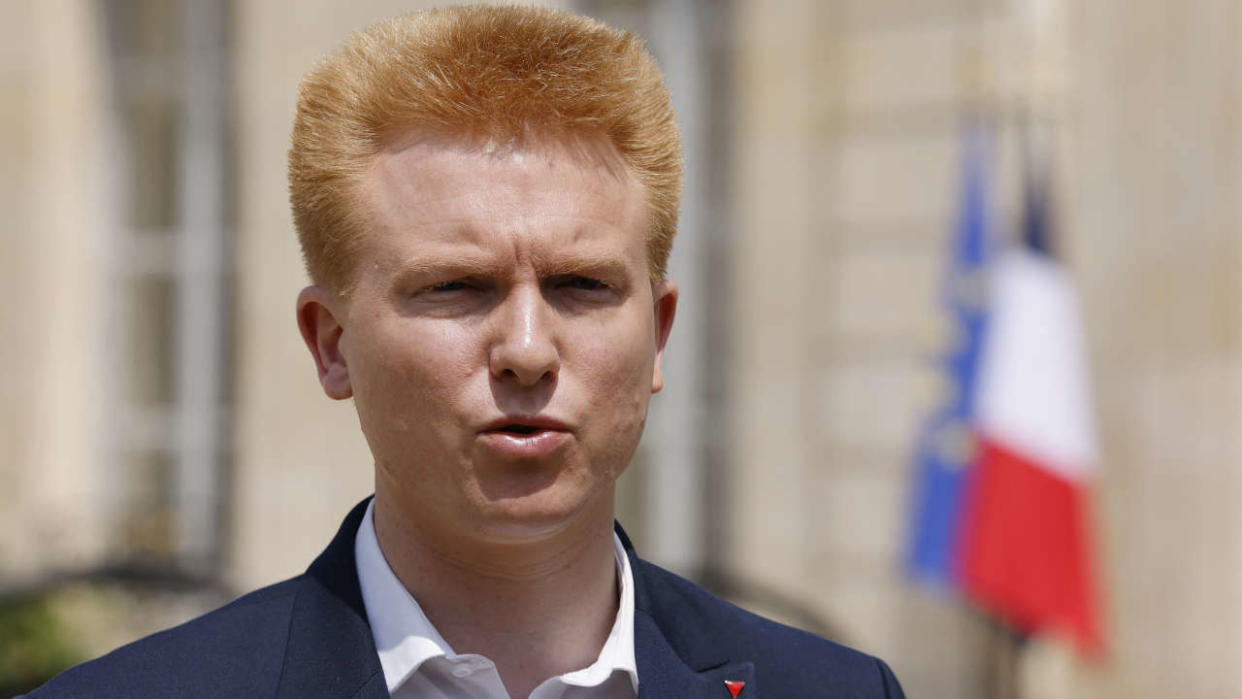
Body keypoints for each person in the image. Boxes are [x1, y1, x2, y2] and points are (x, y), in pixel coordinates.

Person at [29, 6, 904, 698]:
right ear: (331, 345)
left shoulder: (838, 689)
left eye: (582, 286)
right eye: (456, 288)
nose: (526, 350)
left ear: (659, 335)